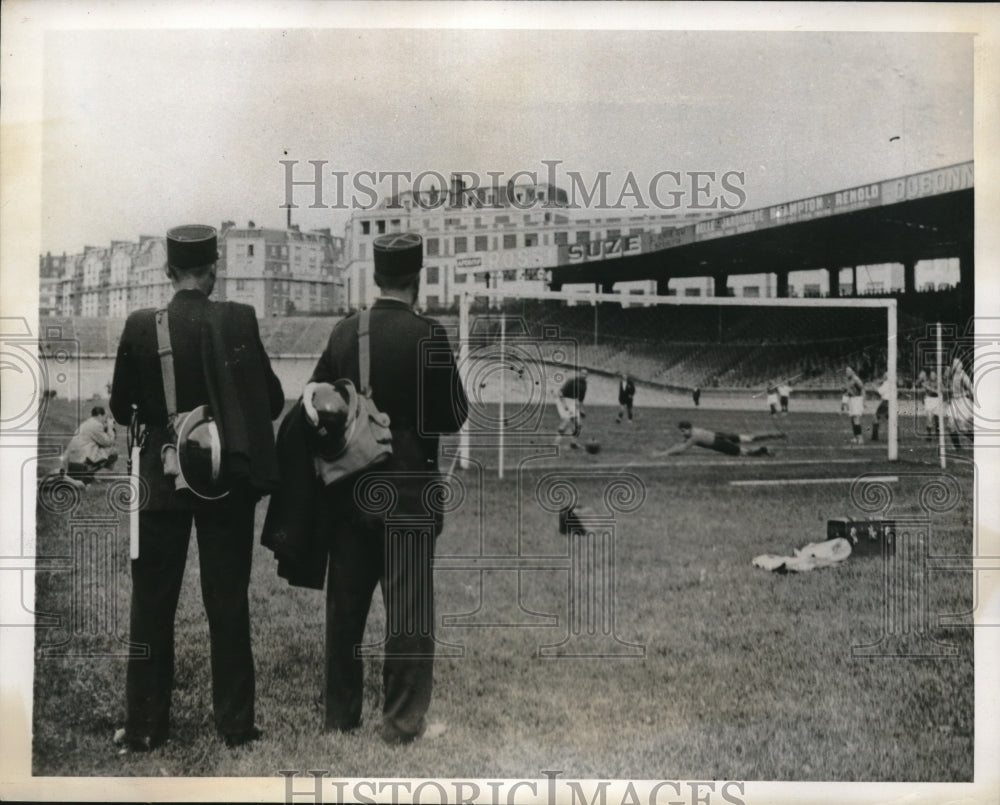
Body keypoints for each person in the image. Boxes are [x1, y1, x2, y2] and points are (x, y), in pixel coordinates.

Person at [109, 224, 284, 752]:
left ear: (167, 272)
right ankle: (235, 726)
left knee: (152, 602)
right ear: (213, 271)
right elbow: (272, 401)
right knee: (227, 600)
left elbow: (121, 409)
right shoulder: (239, 319)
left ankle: (143, 727)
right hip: (223, 479)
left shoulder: (142, 325)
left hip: (158, 480)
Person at [302, 232, 468, 744]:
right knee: (409, 611)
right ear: (417, 280)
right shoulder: (430, 335)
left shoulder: (344, 332)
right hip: (411, 490)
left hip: (350, 489)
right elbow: (453, 413)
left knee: (345, 608)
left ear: (375, 278)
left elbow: (315, 402)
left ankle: (340, 716)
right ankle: (400, 723)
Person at [662, 421, 786, 457]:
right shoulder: (694, 431)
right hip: (720, 435)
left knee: (744, 453)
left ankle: (764, 449)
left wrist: (664, 453)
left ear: (688, 429)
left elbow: (682, 448)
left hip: (719, 443)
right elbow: (681, 444)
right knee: (749, 438)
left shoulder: (694, 436)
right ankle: (774, 434)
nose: (682, 433)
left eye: (683, 431)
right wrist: (668, 451)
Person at [63, 405, 118, 485]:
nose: (105, 420)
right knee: (113, 452)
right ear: (99, 416)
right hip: (81, 461)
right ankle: (88, 474)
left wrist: (106, 427)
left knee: (100, 450)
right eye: (105, 417)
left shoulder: (88, 423)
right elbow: (108, 443)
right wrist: (110, 427)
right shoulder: (96, 425)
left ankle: (88, 475)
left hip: (72, 459)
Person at [554, 368, 587, 448]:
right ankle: (556, 443)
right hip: (563, 400)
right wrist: (565, 406)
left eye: (585, 374)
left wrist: (581, 410)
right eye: (582, 373)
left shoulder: (584, 385)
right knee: (567, 420)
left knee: (578, 424)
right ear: (579, 373)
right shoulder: (571, 381)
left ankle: (573, 443)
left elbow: (580, 399)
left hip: (572, 402)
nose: (584, 375)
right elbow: (560, 393)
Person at [947, 357, 974, 448]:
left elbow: (971, 388)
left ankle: (975, 440)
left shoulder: (963, 375)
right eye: (954, 364)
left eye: (957, 364)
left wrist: (968, 393)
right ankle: (957, 447)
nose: (955, 366)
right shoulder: (952, 374)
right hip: (954, 401)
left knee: (962, 427)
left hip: (962, 401)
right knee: (950, 425)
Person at [914, 367, 941, 441]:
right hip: (929, 399)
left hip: (936, 399)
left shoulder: (938, 382)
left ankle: (937, 433)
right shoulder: (926, 382)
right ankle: (929, 435)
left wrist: (928, 387)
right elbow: (916, 384)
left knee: (937, 417)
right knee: (929, 418)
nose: (933, 376)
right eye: (931, 374)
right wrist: (920, 380)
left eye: (934, 374)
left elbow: (938, 391)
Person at [844, 366, 866, 445]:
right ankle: (855, 437)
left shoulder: (856, 379)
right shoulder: (848, 380)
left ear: (853, 371)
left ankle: (860, 438)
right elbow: (848, 391)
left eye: (848, 371)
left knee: (856, 418)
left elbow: (863, 389)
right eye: (846, 371)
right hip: (851, 400)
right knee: (852, 419)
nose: (847, 373)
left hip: (857, 400)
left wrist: (863, 401)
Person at [871, 372, 892, 442]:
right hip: (891, 402)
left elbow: (879, 392)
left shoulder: (886, 383)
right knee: (891, 419)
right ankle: (896, 437)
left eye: (884, 375)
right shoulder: (891, 383)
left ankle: (875, 437)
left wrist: (874, 386)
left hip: (885, 402)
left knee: (875, 417)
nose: (883, 376)